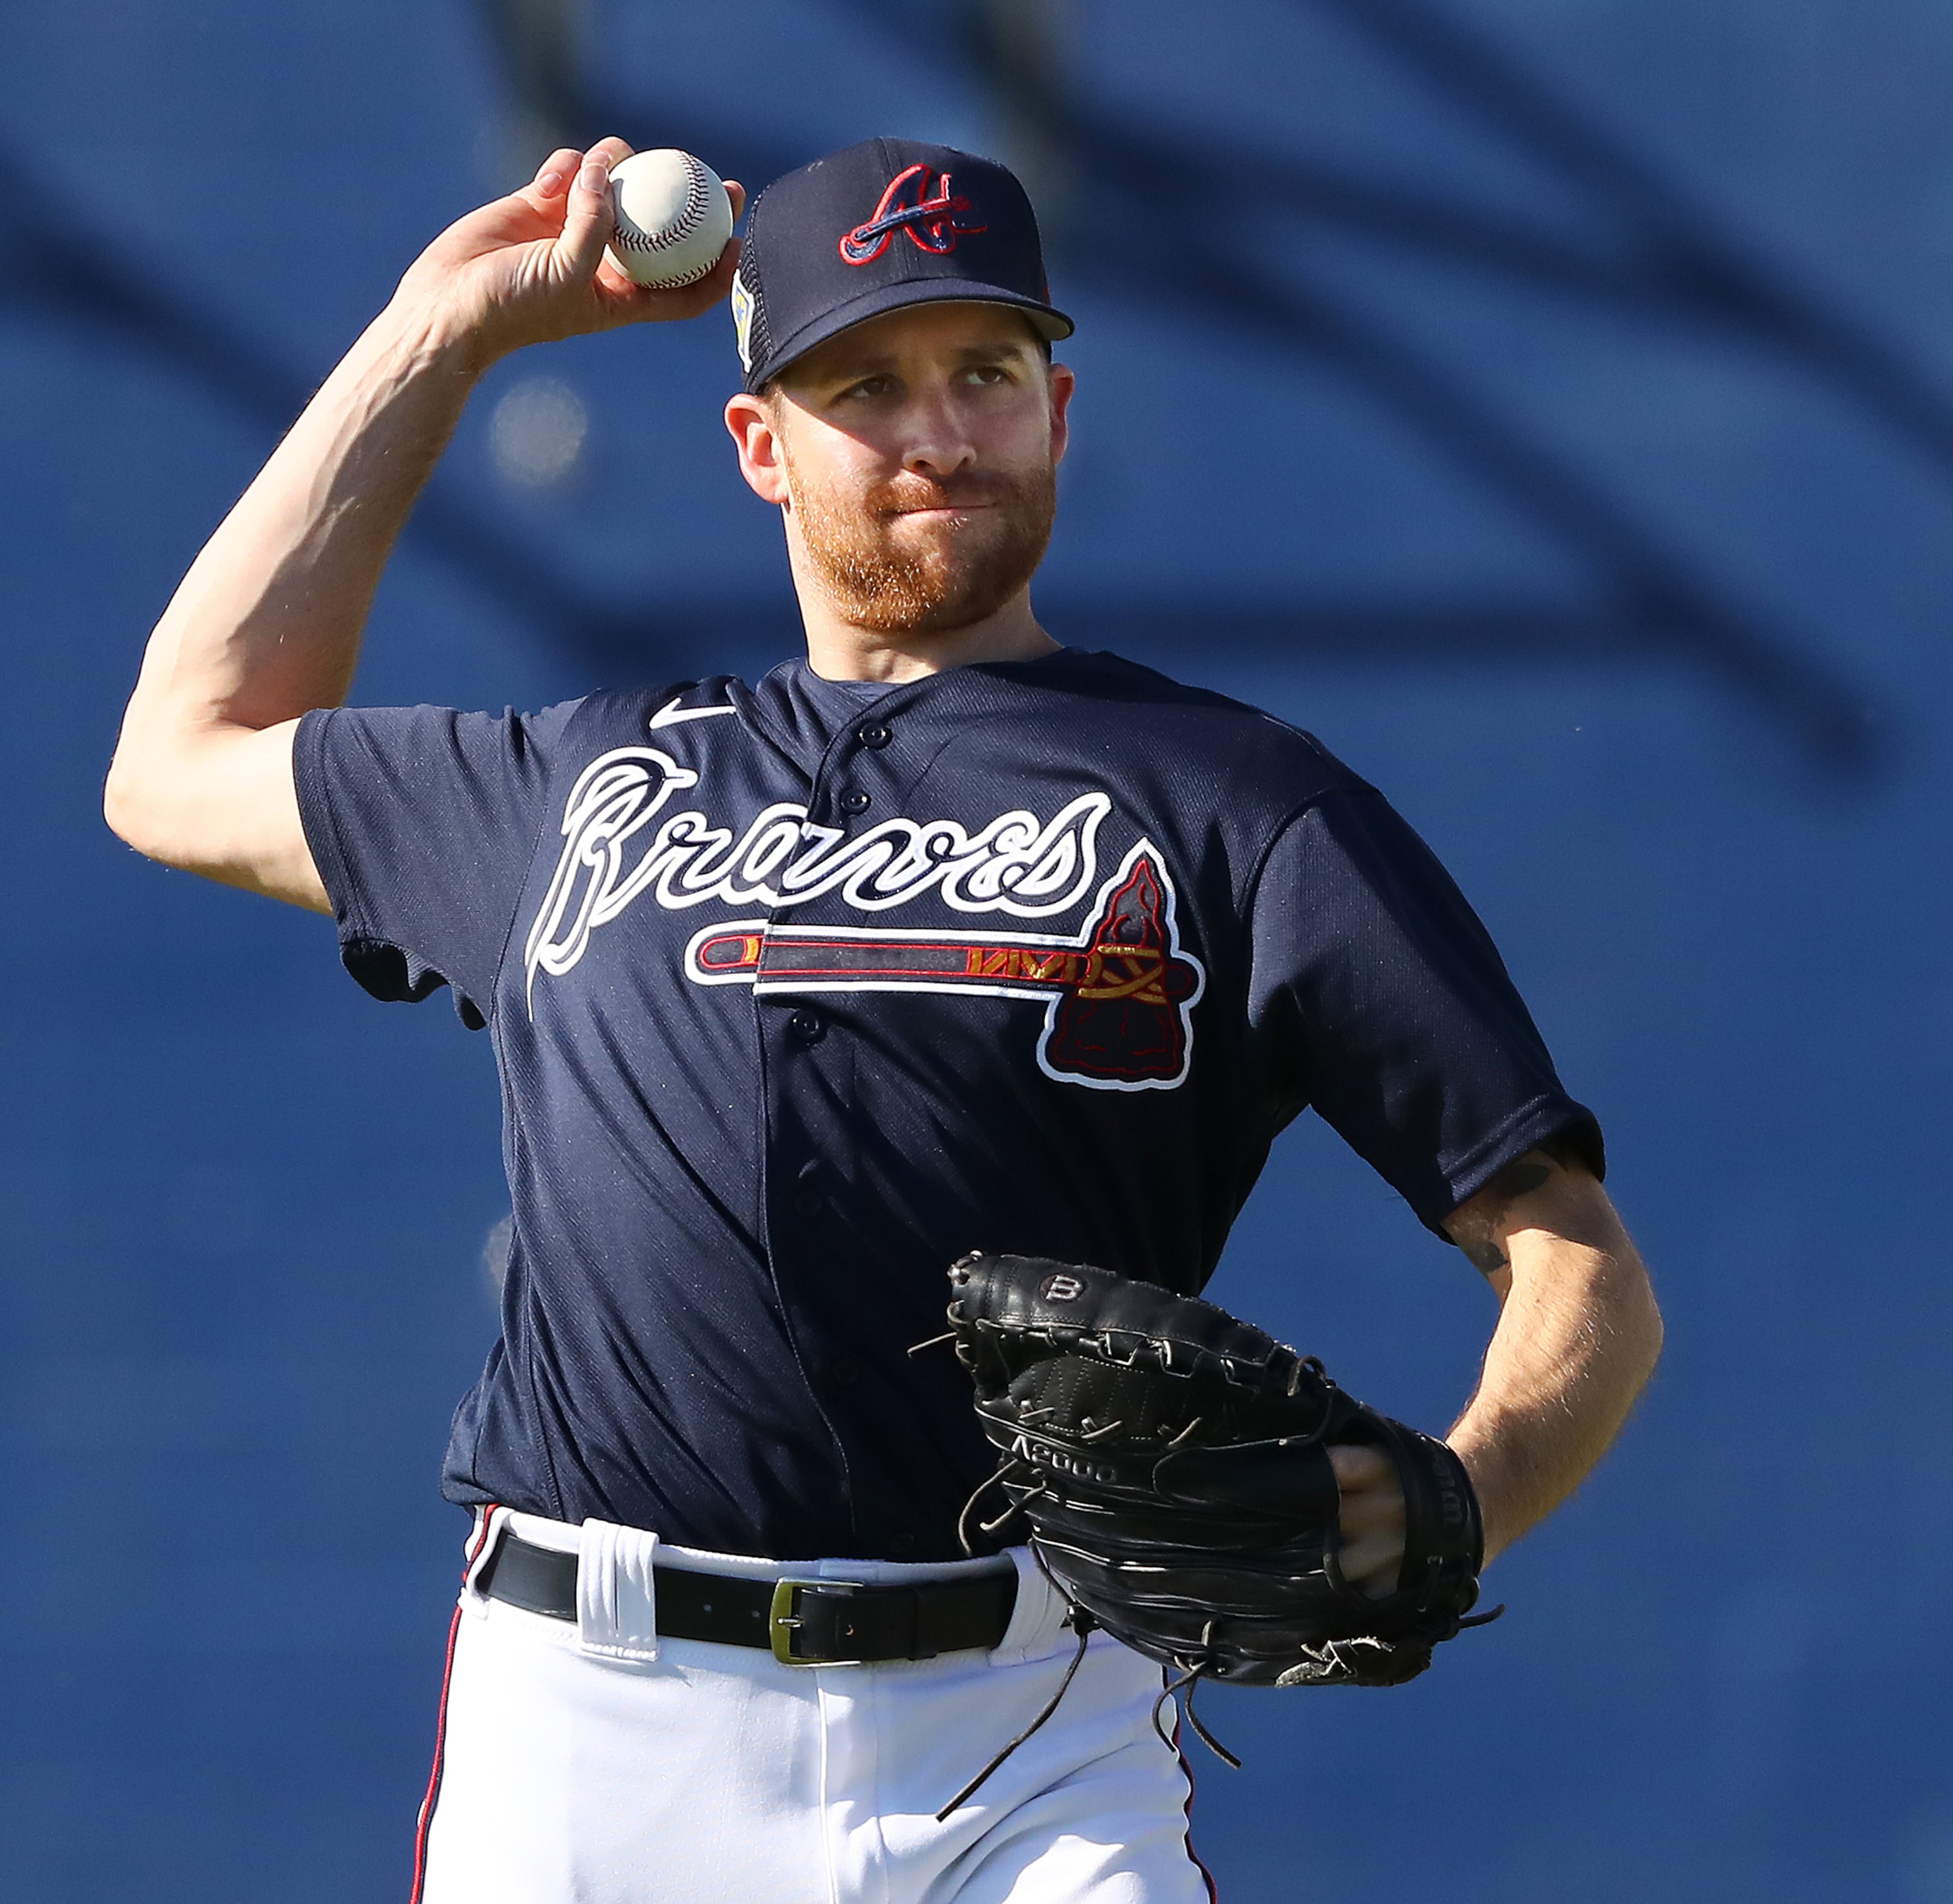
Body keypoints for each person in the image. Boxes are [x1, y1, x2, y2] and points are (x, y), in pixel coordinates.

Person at [105, 134, 1663, 1903]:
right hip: (600, 1725)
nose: (939, 432)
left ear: (1058, 411)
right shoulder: (586, 785)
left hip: (1033, 1729)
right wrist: (436, 338)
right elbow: (177, 762)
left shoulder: (1241, 805)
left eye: (984, 374)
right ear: (760, 447)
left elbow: (1575, 1257)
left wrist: (1463, 1498)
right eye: (867, 384)